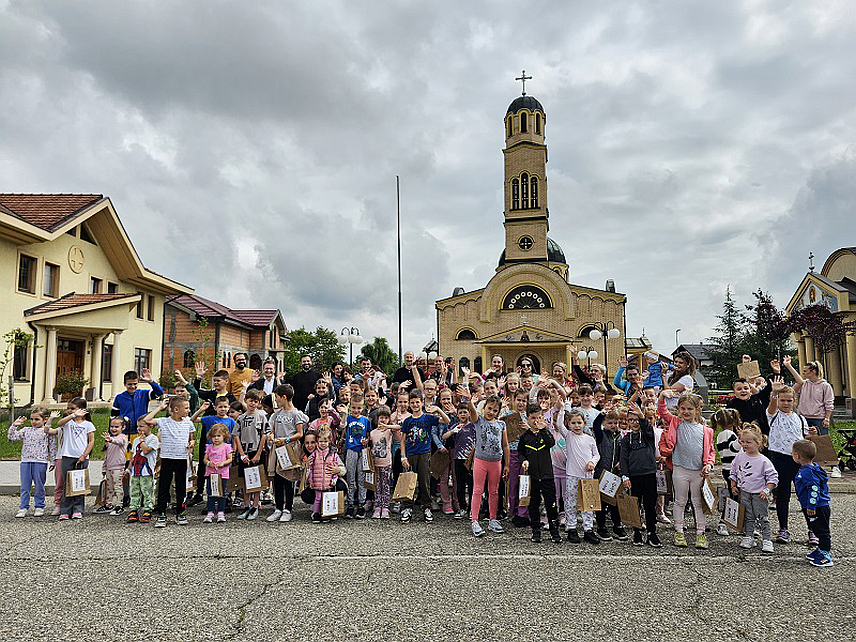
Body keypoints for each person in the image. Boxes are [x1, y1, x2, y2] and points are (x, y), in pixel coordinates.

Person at [657, 390, 715, 549]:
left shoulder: (707, 430)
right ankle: (678, 531)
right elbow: (662, 411)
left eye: (690, 409)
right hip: (680, 469)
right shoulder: (675, 422)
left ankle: (701, 534)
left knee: (698, 503)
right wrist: (662, 396)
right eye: (683, 408)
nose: (686, 412)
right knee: (679, 501)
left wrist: (708, 464)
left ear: (698, 410)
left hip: (698, 472)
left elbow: (710, 451)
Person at [766, 376, 813, 544]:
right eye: (782, 400)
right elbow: (771, 406)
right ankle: (783, 529)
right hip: (779, 458)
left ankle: (812, 530)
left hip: (799, 461)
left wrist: (811, 434)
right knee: (782, 495)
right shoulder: (773, 415)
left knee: (804, 495)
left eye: (789, 400)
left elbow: (804, 436)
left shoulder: (800, 418)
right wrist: (774, 392)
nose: (785, 403)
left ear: (795, 401)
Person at [144, 397, 195, 528]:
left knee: (180, 486)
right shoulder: (163, 422)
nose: (189, 410)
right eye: (187, 408)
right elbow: (147, 420)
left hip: (182, 458)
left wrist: (191, 443)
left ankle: (180, 511)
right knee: (164, 485)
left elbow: (191, 438)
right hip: (167, 458)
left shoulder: (188, 422)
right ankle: (161, 513)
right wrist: (160, 408)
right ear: (176, 409)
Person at [784, 357, 838, 477]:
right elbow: (794, 388)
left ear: (813, 371)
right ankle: (806, 465)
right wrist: (788, 366)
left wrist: (827, 418)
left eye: (805, 371)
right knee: (803, 442)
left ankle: (834, 466)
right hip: (803, 417)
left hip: (819, 417)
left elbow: (829, 402)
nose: (803, 373)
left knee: (823, 441)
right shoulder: (803, 384)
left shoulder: (825, 386)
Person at [401, 391, 449, 523]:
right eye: (412, 402)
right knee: (408, 482)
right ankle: (407, 507)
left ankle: (426, 506)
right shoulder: (407, 421)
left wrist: (438, 409)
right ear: (409, 404)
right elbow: (403, 440)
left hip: (424, 454)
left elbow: (446, 420)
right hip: (410, 454)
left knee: (424, 482)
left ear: (422, 403)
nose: (415, 404)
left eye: (417, 402)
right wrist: (403, 457)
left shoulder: (428, 418)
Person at [467, 392, 509, 537]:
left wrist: (507, 464)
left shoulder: (501, 424)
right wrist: (469, 399)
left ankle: (493, 519)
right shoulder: (478, 421)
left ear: (498, 412)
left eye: (495, 410)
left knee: (494, 491)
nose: (491, 412)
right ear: (484, 407)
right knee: (477, 490)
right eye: (489, 408)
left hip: (496, 462)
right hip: (480, 461)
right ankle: (474, 520)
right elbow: (472, 411)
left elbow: (505, 445)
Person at [619, 399, 661, 547]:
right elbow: (623, 459)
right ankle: (637, 531)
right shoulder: (625, 439)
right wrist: (625, 476)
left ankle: (652, 532)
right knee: (634, 505)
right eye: (631, 420)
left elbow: (647, 427)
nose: (634, 423)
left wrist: (642, 416)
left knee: (650, 505)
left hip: (649, 475)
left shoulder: (649, 436)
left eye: (636, 420)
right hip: (634, 477)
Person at [519, 402, 562, 544]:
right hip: (532, 476)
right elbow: (521, 453)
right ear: (527, 418)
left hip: (547, 475)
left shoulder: (546, 433)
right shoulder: (525, 437)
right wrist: (524, 460)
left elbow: (551, 444)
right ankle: (535, 531)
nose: (536, 421)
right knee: (533, 504)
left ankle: (554, 532)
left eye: (539, 417)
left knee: (551, 504)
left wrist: (543, 430)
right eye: (533, 418)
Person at [730, 426, 778, 553]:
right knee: (747, 516)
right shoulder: (740, 458)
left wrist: (767, 490)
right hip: (744, 492)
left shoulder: (764, 461)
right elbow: (734, 471)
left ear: (758, 443)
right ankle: (749, 536)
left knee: (762, 516)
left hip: (759, 494)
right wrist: (733, 485)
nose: (744, 445)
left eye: (748, 442)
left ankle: (767, 539)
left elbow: (773, 478)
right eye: (742, 442)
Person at [557, 408, 600, 544]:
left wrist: (592, 462)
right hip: (572, 475)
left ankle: (588, 529)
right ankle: (571, 528)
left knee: (588, 503)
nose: (576, 426)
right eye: (573, 423)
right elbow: (559, 425)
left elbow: (596, 455)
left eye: (579, 423)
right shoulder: (568, 436)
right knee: (571, 503)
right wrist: (563, 409)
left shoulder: (590, 439)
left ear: (584, 423)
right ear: (569, 424)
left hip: (587, 476)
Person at [266, 384, 307, 523]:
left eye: (277, 397)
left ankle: (288, 509)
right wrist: (272, 436)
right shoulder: (276, 414)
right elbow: (271, 429)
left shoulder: (296, 414)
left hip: (290, 449)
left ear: (284, 397)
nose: (276, 400)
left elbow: (300, 433)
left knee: (288, 480)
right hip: (278, 449)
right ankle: (278, 508)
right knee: (277, 479)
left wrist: (286, 439)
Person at [9, 407, 57, 518]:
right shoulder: (26, 430)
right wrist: (14, 425)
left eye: (36, 419)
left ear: (45, 419)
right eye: (32, 419)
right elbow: (12, 436)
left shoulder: (48, 432)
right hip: (26, 461)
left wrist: (53, 461)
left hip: (40, 462)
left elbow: (52, 447)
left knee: (39, 485)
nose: (33, 422)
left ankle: (39, 506)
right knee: (25, 486)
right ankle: (23, 507)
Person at [792, 439, 833, 567]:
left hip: (817, 507)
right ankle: (820, 550)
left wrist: (811, 505)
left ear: (797, 455)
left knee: (822, 530)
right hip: (816, 505)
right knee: (816, 528)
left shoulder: (808, 472)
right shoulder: (813, 467)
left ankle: (826, 555)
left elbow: (814, 488)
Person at [54, 398, 96, 520]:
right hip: (68, 456)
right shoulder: (68, 422)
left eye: (73, 408)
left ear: (82, 410)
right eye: (68, 408)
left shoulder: (88, 424)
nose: (69, 410)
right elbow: (59, 423)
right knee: (67, 484)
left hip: (82, 457)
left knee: (79, 484)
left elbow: (91, 441)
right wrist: (72, 415)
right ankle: (65, 510)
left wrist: (84, 455)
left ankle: (78, 509)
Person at [592, 410, 627, 541]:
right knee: (601, 503)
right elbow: (596, 426)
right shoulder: (601, 435)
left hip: (615, 475)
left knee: (615, 503)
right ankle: (601, 527)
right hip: (602, 473)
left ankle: (617, 526)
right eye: (610, 423)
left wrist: (620, 462)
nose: (613, 425)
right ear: (604, 423)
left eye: (615, 423)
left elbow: (623, 453)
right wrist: (601, 415)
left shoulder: (620, 437)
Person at [234, 388, 268, 520]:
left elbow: (264, 435)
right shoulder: (241, 418)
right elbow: (236, 435)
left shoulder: (261, 416)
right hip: (244, 451)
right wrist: (242, 454)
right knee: (245, 481)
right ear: (245, 400)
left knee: (256, 480)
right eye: (250, 401)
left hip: (256, 451)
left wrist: (258, 454)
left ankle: (255, 506)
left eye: (256, 401)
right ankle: (246, 505)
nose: (253, 404)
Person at [711, 408, 742, 536]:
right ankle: (723, 523)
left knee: (735, 496)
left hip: (726, 468)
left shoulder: (720, 435)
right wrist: (741, 440)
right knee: (734, 497)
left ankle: (735, 522)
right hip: (732, 470)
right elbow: (733, 447)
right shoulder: (730, 435)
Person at [308, 429, 347, 522]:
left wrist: (334, 479)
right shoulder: (314, 454)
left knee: (328, 497)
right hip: (317, 481)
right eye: (321, 441)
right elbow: (311, 469)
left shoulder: (333, 455)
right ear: (318, 441)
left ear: (329, 441)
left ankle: (328, 513)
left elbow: (336, 469)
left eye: (325, 441)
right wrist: (311, 481)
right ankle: (316, 513)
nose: (323, 443)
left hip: (328, 481)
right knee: (318, 498)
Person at [445, 402, 475, 520]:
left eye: (465, 412)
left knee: (472, 484)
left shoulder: (473, 425)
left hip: (471, 459)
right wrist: (453, 431)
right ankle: (462, 507)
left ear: (469, 413)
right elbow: (444, 436)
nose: (463, 414)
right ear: (457, 414)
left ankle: (472, 508)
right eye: (460, 412)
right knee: (460, 484)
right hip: (458, 458)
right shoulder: (456, 426)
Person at [343, 393, 371, 519]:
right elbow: (342, 426)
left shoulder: (365, 420)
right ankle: (350, 504)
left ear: (363, 407)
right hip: (351, 450)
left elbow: (369, 434)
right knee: (350, 477)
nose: (356, 410)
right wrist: (344, 414)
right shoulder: (348, 418)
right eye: (353, 407)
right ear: (350, 407)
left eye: (359, 408)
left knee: (361, 477)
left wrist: (367, 440)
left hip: (362, 450)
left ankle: (361, 503)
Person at [126, 417, 159, 524]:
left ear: (150, 426)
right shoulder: (136, 440)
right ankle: (134, 508)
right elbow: (134, 455)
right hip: (135, 471)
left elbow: (145, 450)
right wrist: (129, 468)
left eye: (141, 426)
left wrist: (142, 441)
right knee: (134, 490)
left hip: (146, 472)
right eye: (138, 426)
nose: (139, 429)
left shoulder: (153, 439)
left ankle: (148, 509)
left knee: (147, 490)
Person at [203, 424, 233, 523]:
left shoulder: (226, 447)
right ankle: (210, 512)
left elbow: (230, 459)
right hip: (211, 473)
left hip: (222, 474)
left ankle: (221, 512)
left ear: (224, 436)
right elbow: (205, 459)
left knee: (222, 493)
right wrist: (208, 463)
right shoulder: (209, 447)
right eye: (214, 436)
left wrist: (223, 463)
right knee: (210, 492)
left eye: (218, 436)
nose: (216, 438)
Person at [98, 417, 129, 516]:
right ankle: (109, 504)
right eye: (112, 426)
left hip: (118, 467)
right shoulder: (109, 441)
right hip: (109, 467)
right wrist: (104, 467)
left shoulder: (123, 437)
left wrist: (111, 439)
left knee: (118, 487)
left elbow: (119, 442)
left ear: (123, 427)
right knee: (109, 487)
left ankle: (119, 505)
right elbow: (107, 456)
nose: (114, 429)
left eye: (117, 427)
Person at [369, 406, 395, 519]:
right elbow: (370, 445)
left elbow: (399, 427)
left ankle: (385, 506)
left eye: (385, 418)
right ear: (377, 418)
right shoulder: (372, 433)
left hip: (386, 462)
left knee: (385, 485)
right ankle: (377, 506)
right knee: (377, 486)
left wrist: (387, 425)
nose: (383, 420)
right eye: (381, 418)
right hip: (375, 463)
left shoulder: (389, 431)